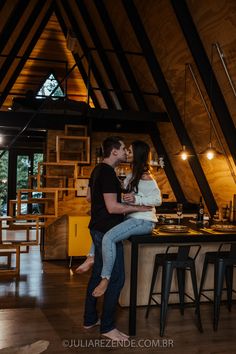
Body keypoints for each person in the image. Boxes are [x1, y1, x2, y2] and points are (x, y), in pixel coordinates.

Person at [83, 136, 152, 342]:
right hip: (107, 231)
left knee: (98, 275)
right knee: (116, 278)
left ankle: (89, 319)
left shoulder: (97, 170)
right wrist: (139, 207)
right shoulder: (108, 173)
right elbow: (113, 207)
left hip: (96, 229)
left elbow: (89, 197)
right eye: (123, 149)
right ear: (114, 151)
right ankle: (108, 327)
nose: (125, 152)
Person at [92, 140, 162, 297]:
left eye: (130, 151)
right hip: (132, 219)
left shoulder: (146, 176)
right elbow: (128, 199)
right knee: (104, 229)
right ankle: (91, 257)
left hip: (144, 220)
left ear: (137, 154)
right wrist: (128, 199)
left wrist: (137, 200)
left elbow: (157, 200)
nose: (127, 153)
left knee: (108, 238)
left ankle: (105, 279)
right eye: (127, 150)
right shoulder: (132, 176)